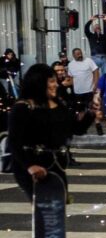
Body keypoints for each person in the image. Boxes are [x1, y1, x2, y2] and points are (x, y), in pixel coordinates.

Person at [7, 64, 97, 200]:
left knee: (57, 210)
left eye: (55, 81)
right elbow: (14, 141)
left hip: (57, 165)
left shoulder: (59, 104)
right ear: (39, 82)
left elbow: (76, 129)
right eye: (51, 81)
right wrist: (29, 166)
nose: (56, 85)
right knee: (45, 210)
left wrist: (92, 114)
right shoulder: (23, 107)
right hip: (34, 166)